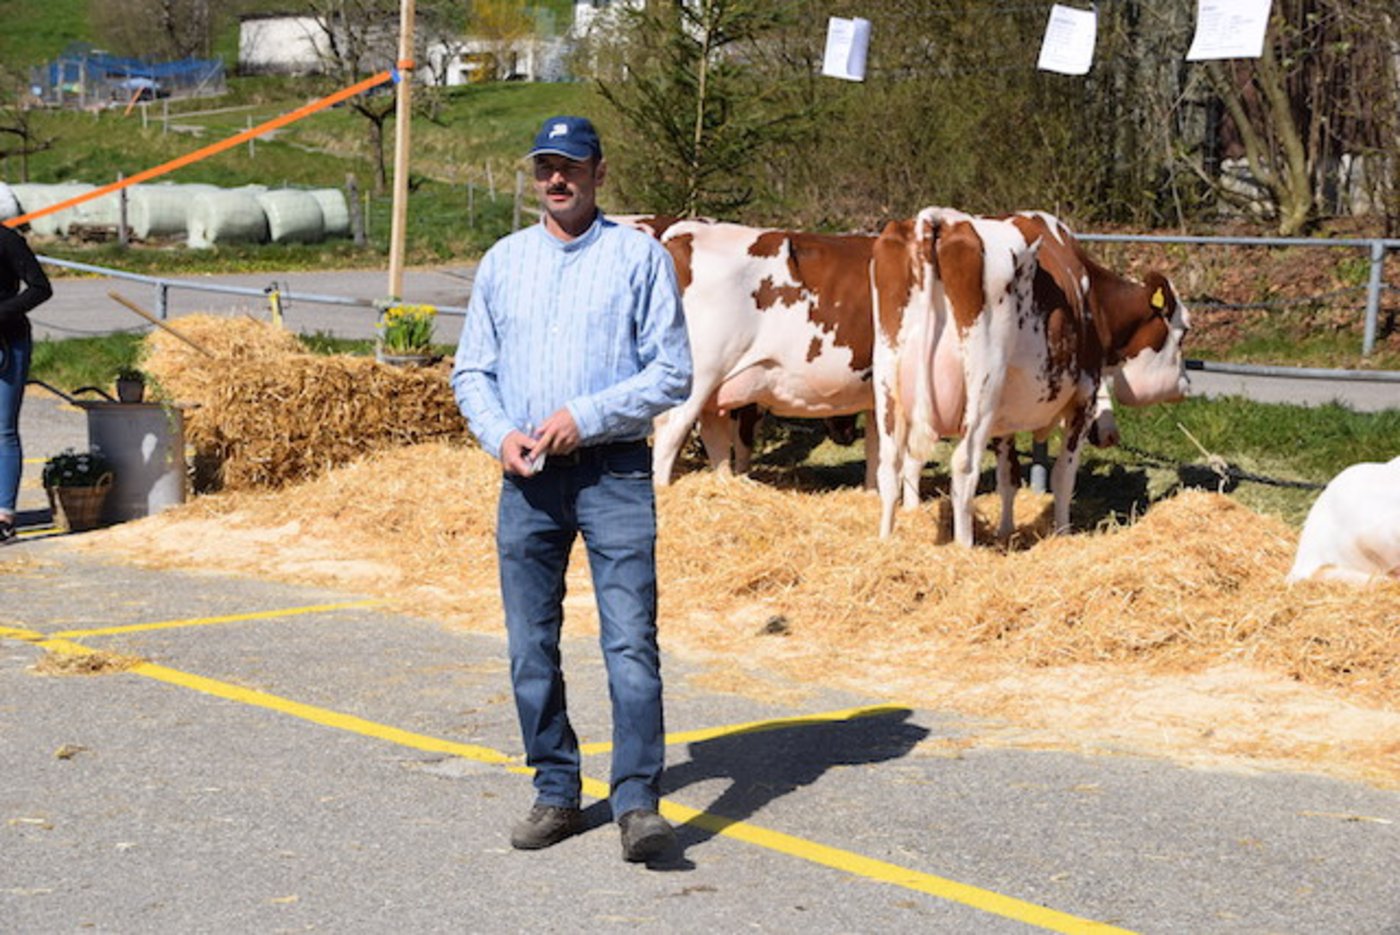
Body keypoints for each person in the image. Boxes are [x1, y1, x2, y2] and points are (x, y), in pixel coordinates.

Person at [451, 116, 693, 862]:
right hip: (526, 481)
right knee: (530, 645)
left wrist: (582, 417)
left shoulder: (638, 258)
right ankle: (556, 789)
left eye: (571, 166)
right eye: (545, 168)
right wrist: (501, 434)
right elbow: (471, 372)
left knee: (629, 642)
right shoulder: (503, 261)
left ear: (598, 172)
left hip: (614, 472)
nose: (557, 180)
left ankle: (637, 802)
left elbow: (672, 371)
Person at [0, 223, 53, 544]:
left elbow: (40, 287)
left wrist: (3, 312)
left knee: (3, 429)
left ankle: (4, 514)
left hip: (8, 341)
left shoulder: (6, 239)